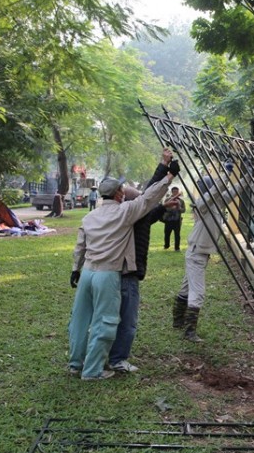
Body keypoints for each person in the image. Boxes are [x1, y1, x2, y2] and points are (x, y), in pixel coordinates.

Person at [68, 149, 179, 380]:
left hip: (87, 272)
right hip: (108, 274)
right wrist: (168, 178)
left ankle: (75, 363)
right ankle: (93, 371)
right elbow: (147, 198)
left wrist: (75, 269)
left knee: (80, 319)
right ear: (119, 195)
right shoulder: (125, 213)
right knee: (105, 321)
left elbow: (80, 246)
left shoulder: (89, 217)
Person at [107, 168, 179, 373]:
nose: (144, 202)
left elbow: (148, 209)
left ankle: (105, 354)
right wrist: (165, 170)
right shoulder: (131, 214)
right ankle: (118, 359)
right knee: (127, 320)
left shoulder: (127, 215)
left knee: (110, 317)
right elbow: (149, 195)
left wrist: (163, 206)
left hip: (113, 272)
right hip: (127, 274)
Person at [172, 167, 254, 342]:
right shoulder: (202, 204)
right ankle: (189, 331)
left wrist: (249, 173)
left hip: (199, 253)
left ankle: (178, 321)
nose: (222, 190)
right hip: (196, 254)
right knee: (198, 291)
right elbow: (213, 193)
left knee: (187, 288)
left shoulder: (218, 202)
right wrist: (225, 174)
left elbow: (235, 190)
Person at [162, 186, 185, 251]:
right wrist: (171, 208)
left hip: (177, 220)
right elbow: (164, 208)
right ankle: (166, 245)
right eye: (174, 192)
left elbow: (184, 210)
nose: (175, 193)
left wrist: (180, 208)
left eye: (177, 192)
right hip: (168, 220)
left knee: (177, 235)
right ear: (172, 192)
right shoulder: (167, 200)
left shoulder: (181, 201)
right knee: (167, 234)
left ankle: (177, 248)